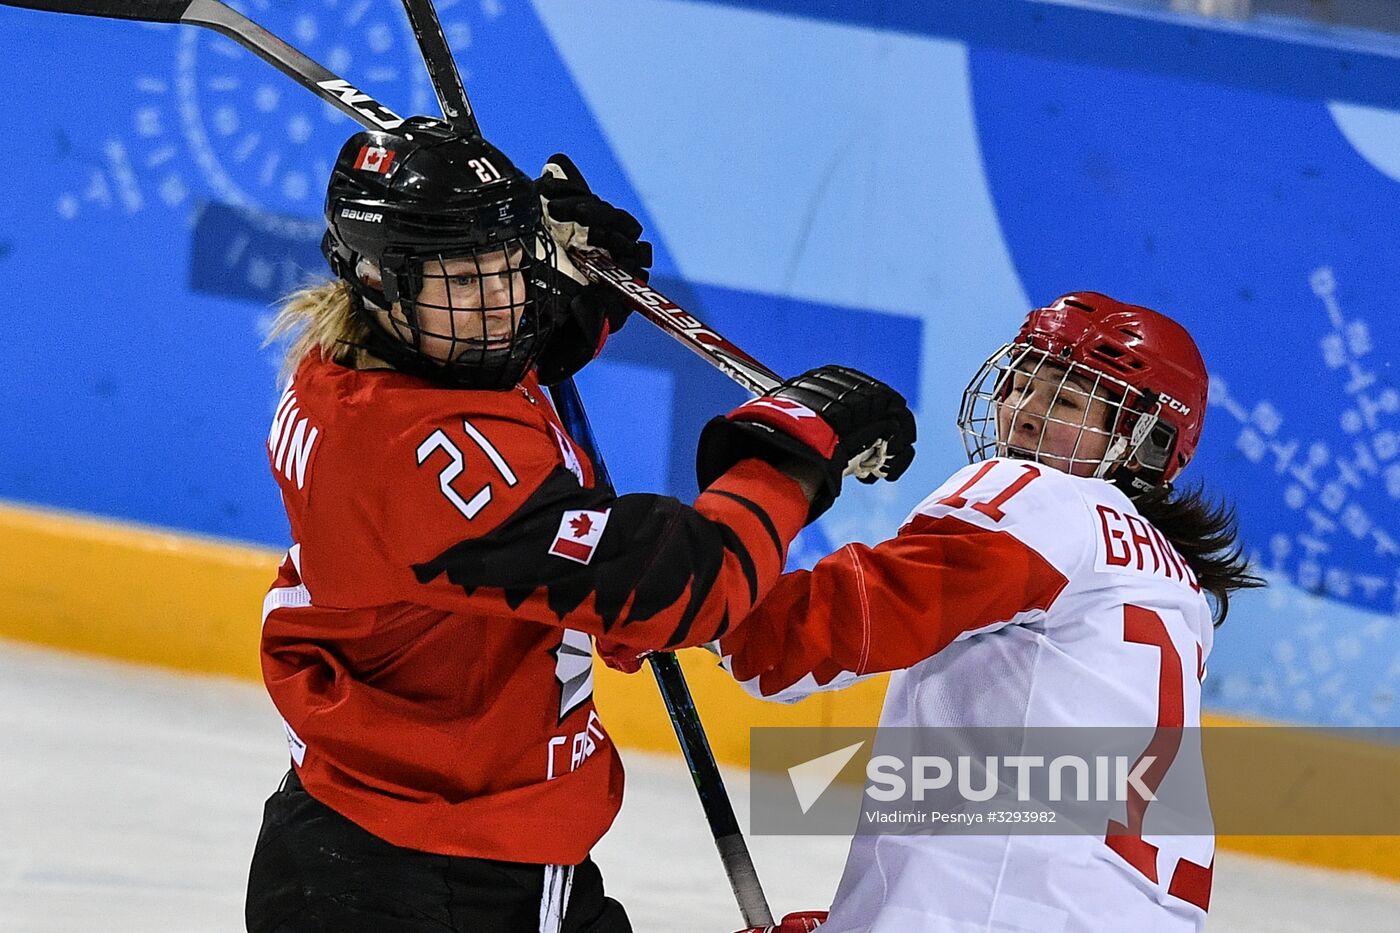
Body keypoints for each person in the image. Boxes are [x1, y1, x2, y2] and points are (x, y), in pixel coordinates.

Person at [242, 115, 916, 933]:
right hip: (421, 876)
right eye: (462, 278)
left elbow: (511, 358)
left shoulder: (375, 357)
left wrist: (574, 287)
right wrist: (790, 458)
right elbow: (678, 585)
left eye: (506, 268)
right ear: (378, 283)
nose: (498, 304)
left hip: (414, 836)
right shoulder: (420, 459)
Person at [693, 293, 1263, 933]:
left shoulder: (1039, 502)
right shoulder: (1173, 586)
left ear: (1145, 444)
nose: (1023, 412)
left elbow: (786, 650)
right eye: (1019, 384)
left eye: (1065, 400)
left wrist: (705, 555)